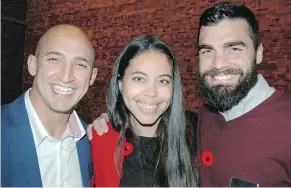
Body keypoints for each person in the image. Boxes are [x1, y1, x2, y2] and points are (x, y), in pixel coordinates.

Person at [89, 1, 291, 187]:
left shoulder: (284, 120)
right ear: (121, 83)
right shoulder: (203, 121)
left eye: (234, 48)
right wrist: (107, 122)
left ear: (258, 53)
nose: (218, 64)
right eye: (207, 50)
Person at [90, 36, 198, 187]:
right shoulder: (99, 142)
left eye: (163, 81)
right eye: (139, 79)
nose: (151, 93)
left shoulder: (196, 139)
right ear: (120, 84)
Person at [1, 24, 98, 187]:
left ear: (92, 77)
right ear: (32, 64)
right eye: (54, 59)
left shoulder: (90, 142)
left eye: (80, 64)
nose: (66, 76)